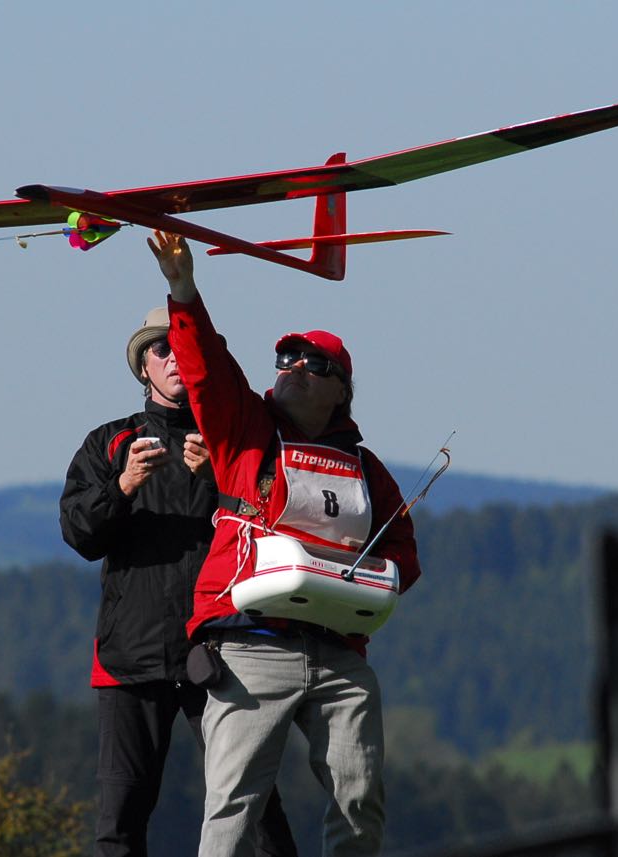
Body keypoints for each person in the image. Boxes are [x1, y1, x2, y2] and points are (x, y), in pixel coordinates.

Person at [147, 231, 423, 857]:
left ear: (342, 390)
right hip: (249, 643)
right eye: (287, 359)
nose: (295, 368)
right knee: (233, 805)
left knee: (359, 800)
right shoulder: (244, 429)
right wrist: (183, 289)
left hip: (340, 653)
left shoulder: (367, 468)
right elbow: (208, 370)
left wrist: (372, 582)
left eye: (314, 364)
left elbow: (404, 552)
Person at [59, 307, 299, 857]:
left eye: (184, 349)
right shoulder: (109, 442)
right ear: (142, 367)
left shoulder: (234, 442)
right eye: (161, 349)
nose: (174, 359)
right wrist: (122, 486)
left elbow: (275, 528)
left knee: (257, 809)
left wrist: (219, 481)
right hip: (129, 655)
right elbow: (79, 534)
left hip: (222, 649)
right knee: (121, 817)